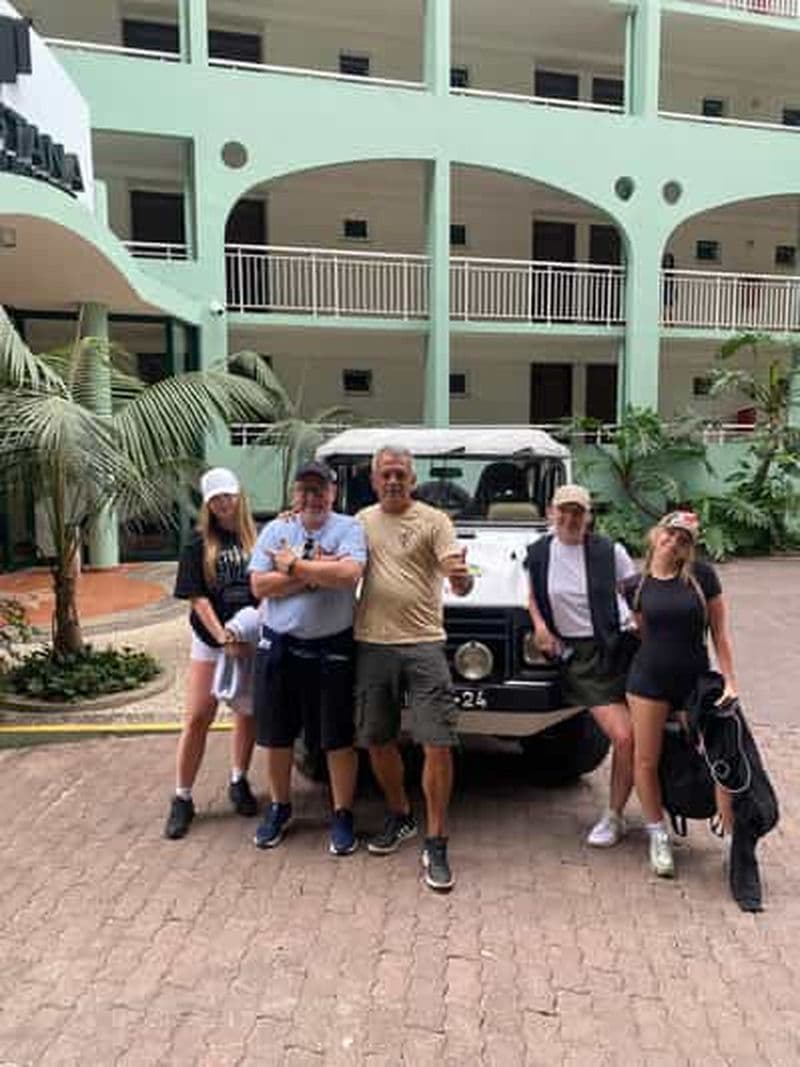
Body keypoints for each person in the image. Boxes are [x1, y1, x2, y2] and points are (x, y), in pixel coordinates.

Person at [355, 445, 474, 892]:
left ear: (413, 478)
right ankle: (401, 814)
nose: (392, 481)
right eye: (385, 474)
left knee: (437, 741)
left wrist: (462, 579)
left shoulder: (434, 521)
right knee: (376, 739)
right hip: (372, 643)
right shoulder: (360, 522)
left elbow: (456, 574)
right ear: (373, 480)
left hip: (425, 644)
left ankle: (437, 840)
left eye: (400, 474)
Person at [249, 460, 367, 856]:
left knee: (337, 737)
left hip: (332, 646)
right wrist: (319, 571)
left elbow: (350, 575)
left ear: (333, 493)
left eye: (320, 490)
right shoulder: (277, 529)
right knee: (278, 735)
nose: (312, 497)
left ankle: (343, 813)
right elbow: (260, 585)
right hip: (281, 646)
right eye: (305, 490)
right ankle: (280, 808)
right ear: (294, 494)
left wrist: (295, 566)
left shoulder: (348, 528)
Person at [626, 510, 738, 879]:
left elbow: (719, 633)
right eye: (671, 533)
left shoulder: (701, 578)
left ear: (689, 547)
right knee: (646, 760)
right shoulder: (634, 585)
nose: (674, 542)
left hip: (694, 681)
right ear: (657, 534)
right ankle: (658, 835)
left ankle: (734, 838)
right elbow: (643, 634)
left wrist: (729, 680)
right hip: (648, 681)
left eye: (684, 539)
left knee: (718, 756)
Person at [526, 484, 637, 848]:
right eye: (564, 511)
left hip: (619, 647)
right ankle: (614, 816)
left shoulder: (610, 552)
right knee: (624, 736)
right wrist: (541, 627)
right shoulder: (539, 552)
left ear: (589, 516)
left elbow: (634, 594)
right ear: (550, 513)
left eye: (578, 512)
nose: (571, 518)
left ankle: (657, 799)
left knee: (652, 728)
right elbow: (531, 593)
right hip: (580, 657)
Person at [165, 468, 259, 840]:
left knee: (245, 711)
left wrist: (247, 632)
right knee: (199, 715)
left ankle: (239, 779)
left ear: (240, 495)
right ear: (207, 503)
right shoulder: (197, 542)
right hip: (211, 638)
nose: (224, 503)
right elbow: (197, 597)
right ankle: (182, 796)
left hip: (249, 635)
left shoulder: (259, 535)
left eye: (228, 496)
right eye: (216, 498)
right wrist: (222, 637)